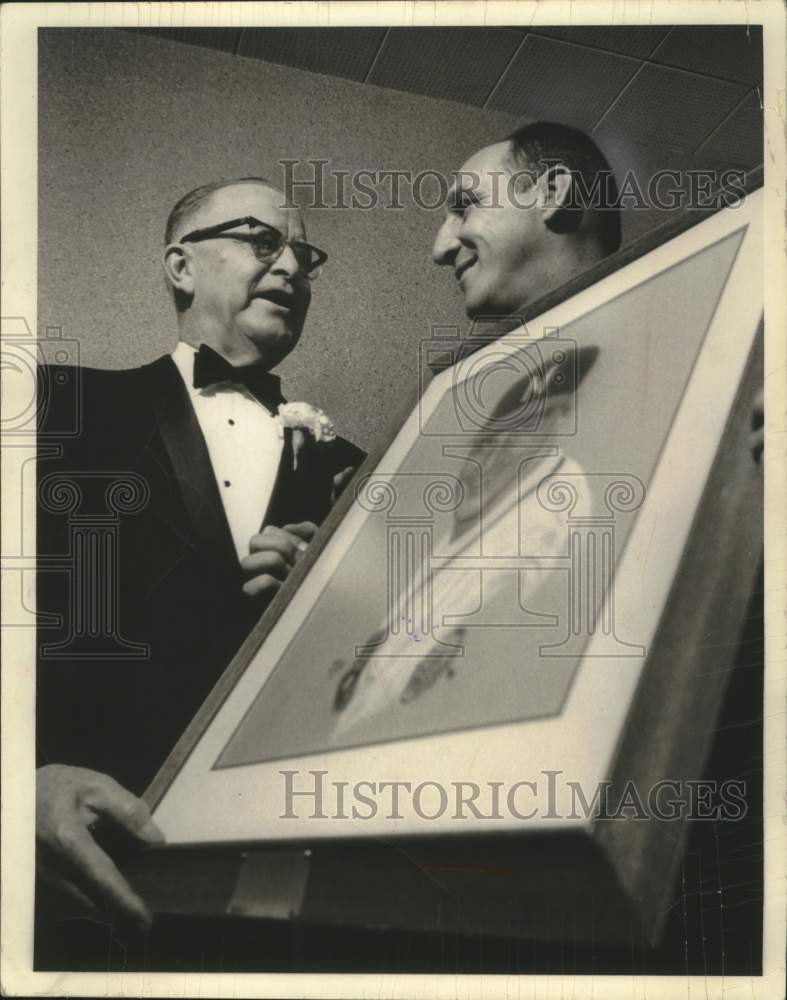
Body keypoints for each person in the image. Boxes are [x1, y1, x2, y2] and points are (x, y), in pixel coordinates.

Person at [35, 178, 364, 936]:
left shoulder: (359, 471)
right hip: (78, 875)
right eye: (261, 239)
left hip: (287, 884)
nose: (290, 266)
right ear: (181, 267)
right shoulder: (56, 407)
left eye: (304, 254)